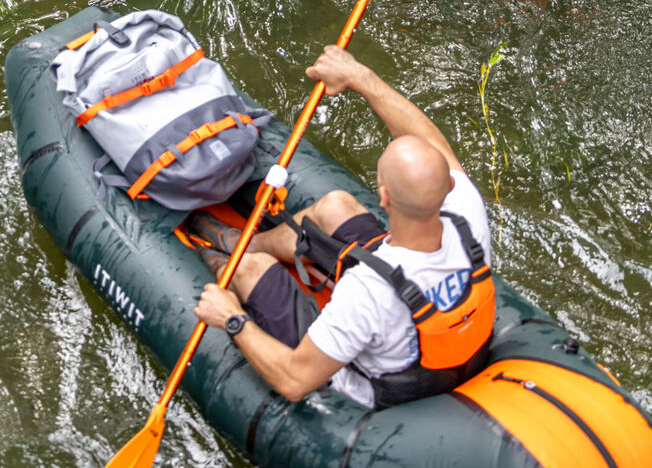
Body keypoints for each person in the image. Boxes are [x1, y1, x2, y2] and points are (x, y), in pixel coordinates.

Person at [192, 46, 495, 408]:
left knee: (247, 269)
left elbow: (294, 380)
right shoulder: (467, 215)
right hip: (427, 333)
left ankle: (213, 252)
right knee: (335, 206)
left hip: (384, 384)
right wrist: (357, 76)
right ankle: (249, 242)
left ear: (383, 196)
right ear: (449, 186)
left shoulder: (366, 292)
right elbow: (430, 141)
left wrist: (232, 318)